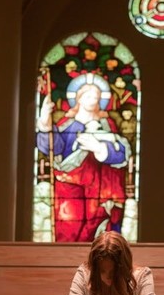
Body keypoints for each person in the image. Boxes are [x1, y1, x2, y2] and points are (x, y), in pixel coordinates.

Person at [36, 74, 132, 242]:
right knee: (69, 228)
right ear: (79, 98)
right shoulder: (67, 124)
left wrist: (100, 148)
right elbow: (53, 148)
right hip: (69, 187)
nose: (92, 100)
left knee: (99, 230)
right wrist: (44, 123)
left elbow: (122, 151)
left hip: (99, 190)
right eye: (88, 95)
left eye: (96, 97)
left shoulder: (107, 124)